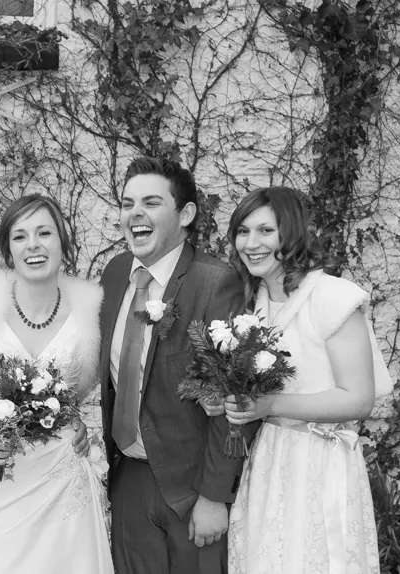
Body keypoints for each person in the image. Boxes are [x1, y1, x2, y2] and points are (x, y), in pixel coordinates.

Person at [99, 157, 254, 574]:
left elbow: (235, 393)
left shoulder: (215, 283)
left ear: (185, 214)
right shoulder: (114, 274)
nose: (136, 213)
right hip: (129, 478)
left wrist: (215, 496)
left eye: (151, 202)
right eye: (127, 202)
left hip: (192, 489)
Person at [0, 194, 113, 574]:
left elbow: (90, 394)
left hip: (63, 477)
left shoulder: (92, 312)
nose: (33, 245)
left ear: (62, 242)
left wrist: (80, 424)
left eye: (44, 233)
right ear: (8, 249)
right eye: (20, 236)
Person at [223, 186, 386, 574]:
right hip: (269, 459)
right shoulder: (251, 303)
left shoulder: (332, 297)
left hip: (320, 460)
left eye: (265, 230)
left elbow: (358, 399)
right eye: (242, 231)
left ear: (291, 233)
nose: (251, 242)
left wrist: (271, 406)